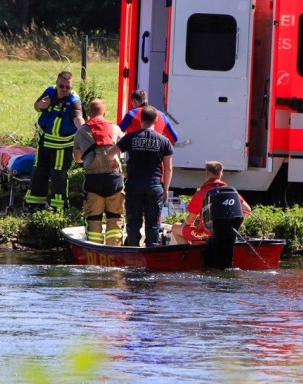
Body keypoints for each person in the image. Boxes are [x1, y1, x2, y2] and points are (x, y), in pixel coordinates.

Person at [25, 70, 84, 212]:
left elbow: (78, 118)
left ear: (72, 87)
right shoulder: (50, 91)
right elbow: (36, 105)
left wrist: (86, 132)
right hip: (44, 142)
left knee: (58, 177)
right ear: (56, 84)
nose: (64, 90)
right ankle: (34, 206)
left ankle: (59, 209)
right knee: (39, 173)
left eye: (67, 87)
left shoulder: (74, 102)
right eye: (61, 86)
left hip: (61, 148)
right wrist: (40, 105)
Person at [117, 106, 173, 247]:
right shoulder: (163, 141)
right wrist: (165, 189)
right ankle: (152, 251)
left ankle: (132, 248)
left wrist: (116, 164)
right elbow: (168, 168)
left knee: (133, 221)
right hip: (154, 185)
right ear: (156, 120)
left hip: (134, 183)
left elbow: (111, 152)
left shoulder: (131, 137)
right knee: (153, 222)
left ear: (140, 119)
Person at [177, 161, 251, 268]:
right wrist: (236, 226)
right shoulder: (229, 192)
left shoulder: (201, 193)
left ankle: (190, 258)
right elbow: (247, 210)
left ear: (207, 174)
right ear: (221, 174)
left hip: (205, 236)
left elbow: (190, 221)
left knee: (175, 227)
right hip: (228, 235)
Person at [73, 98, 124, 245]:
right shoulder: (115, 128)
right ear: (105, 113)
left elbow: (77, 159)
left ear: (89, 114)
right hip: (114, 178)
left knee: (94, 218)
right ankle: (113, 248)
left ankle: (95, 251)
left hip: (93, 180)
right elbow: (125, 146)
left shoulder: (81, 132)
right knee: (114, 216)